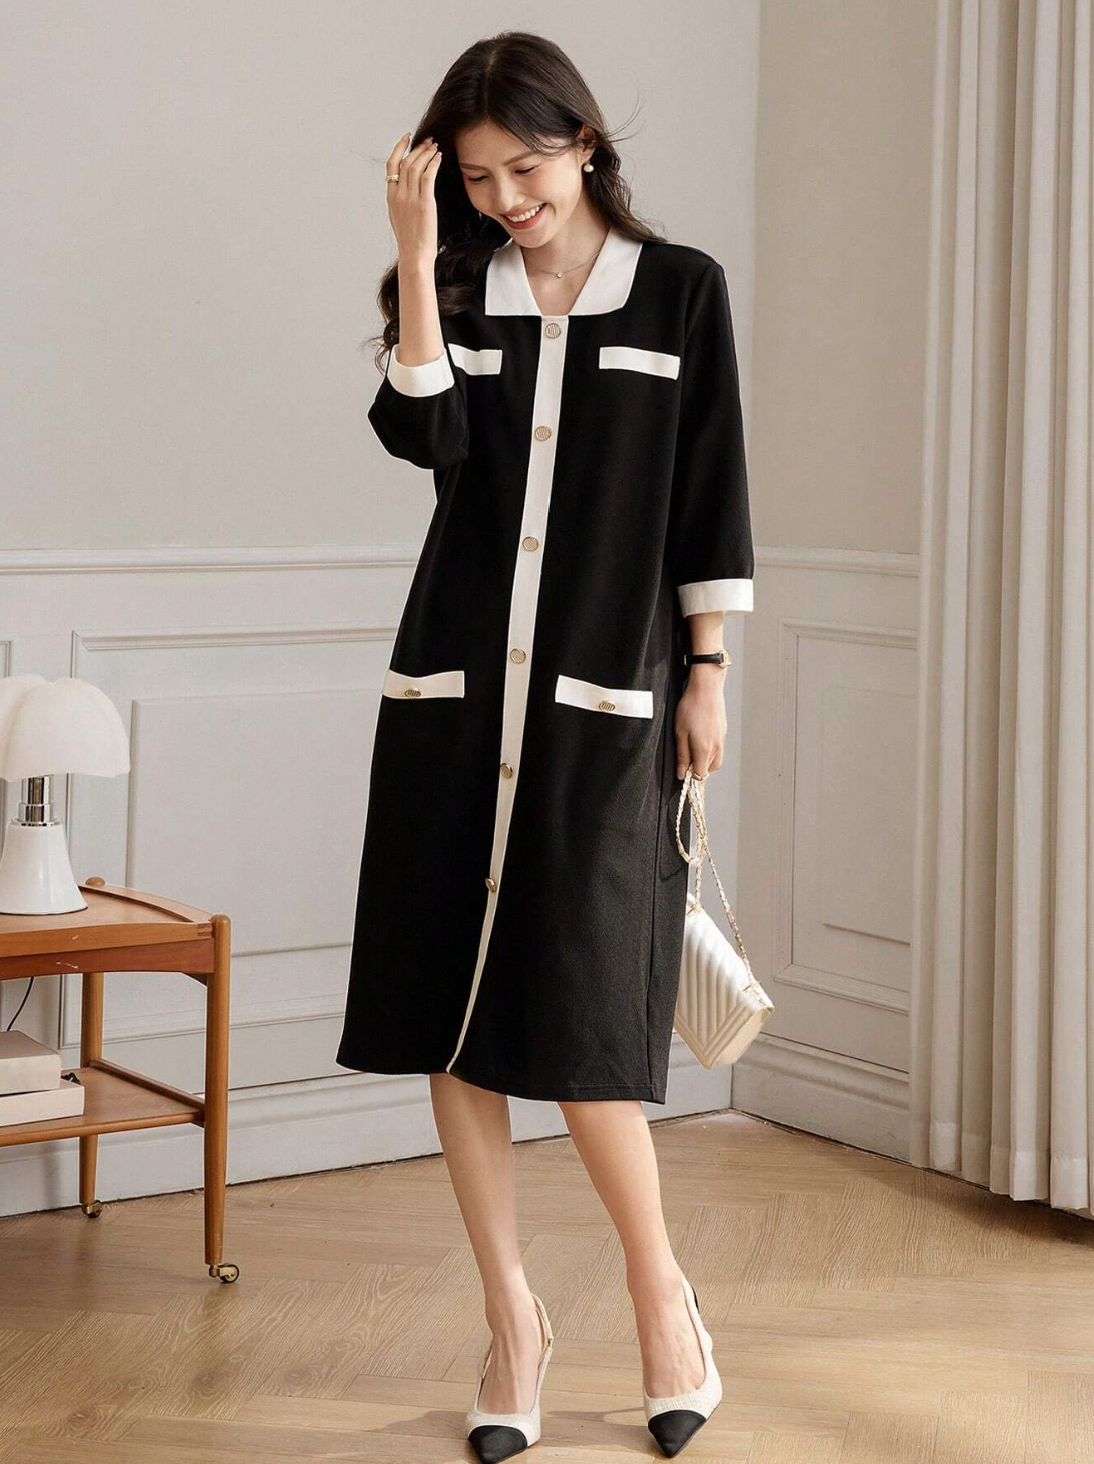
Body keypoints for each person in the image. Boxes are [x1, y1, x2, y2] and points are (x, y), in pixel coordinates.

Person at [336, 30, 754, 1462]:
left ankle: (659, 1299)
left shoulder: (680, 291)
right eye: (476, 179)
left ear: (585, 145)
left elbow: (710, 487)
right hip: (455, 701)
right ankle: (511, 1321)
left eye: (527, 168)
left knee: (579, 1013)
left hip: (605, 702)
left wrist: (707, 670)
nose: (508, 199)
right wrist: (415, 255)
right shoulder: (458, 288)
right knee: (452, 1014)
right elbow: (425, 441)